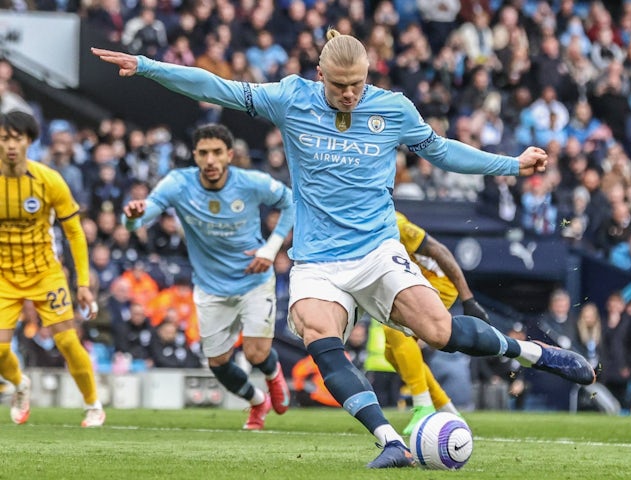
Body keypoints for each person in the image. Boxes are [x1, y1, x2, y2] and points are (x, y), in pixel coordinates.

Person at [92, 30, 595, 469]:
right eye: (339, 86)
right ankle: (389, 441)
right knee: (316, 330)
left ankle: (534, 353)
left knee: (439, 333)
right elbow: (216, 87)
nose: (350, 94)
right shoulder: (291, 98)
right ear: (320, 75)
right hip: (317, 261)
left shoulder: (393, 108)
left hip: (378, 251)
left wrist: (511, 164)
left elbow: (442, 151)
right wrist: (147, 67)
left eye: (358, 84)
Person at [117, 123, 294, 430]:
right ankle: (256, 401)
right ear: (195, 156)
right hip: (211, 287)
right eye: (203, 153)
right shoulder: (178, 183)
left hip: (253, 279)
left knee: (255, 353)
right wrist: (131, 218)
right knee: (218, 363)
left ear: (229, 155)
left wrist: (271, 248)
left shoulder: (251, 182)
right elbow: (146, 212)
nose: (210, 160)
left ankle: (272, 374)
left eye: (216, 153)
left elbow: (290, 201)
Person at [0, 111, 105, 427]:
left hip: (45, 271)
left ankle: (93, 405)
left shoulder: (48, 180)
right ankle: (20, 385)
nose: (10, 146)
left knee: (68, 342)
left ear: (29, 142)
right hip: (4, 275)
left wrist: (83, 283)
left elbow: (75, 231)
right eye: (5, 138)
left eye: (17, 138)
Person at [384, 211, 489, 435]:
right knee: (391, 354)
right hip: (409, 282)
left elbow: (440, 251)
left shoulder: (394, 222)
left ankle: (423, 406)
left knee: (396, 333)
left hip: (437, 281)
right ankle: (446, 408)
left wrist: (467, 298)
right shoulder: (359, 225)